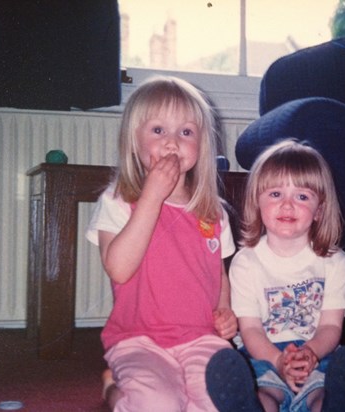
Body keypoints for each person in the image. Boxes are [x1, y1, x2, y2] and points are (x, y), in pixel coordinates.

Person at [86, 76, 238, 412]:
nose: (172, 143)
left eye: (186, 132)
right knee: (158, 404)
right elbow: (119, 269)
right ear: (133, 141)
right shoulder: (117, 201)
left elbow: (218, 272)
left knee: (220, 402)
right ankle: (113, 391)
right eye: (158, 130)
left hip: (201, 337)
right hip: (139, 340)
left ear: (201, 146)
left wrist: (225, 311)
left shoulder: (213, 213)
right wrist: (151, 196)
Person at [206, 140, 345, 412]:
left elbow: (330, 327)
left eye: (302, 196)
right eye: (275, 194)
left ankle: (333, 406)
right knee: (266, 393)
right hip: (264, 354)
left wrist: (311, 353)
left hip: (317, 353)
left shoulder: (335, 263)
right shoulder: (246, 262)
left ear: (319, 210)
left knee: (324, 388)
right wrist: (279, 360)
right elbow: (250, 330)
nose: (287, 205)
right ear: (257, 202)